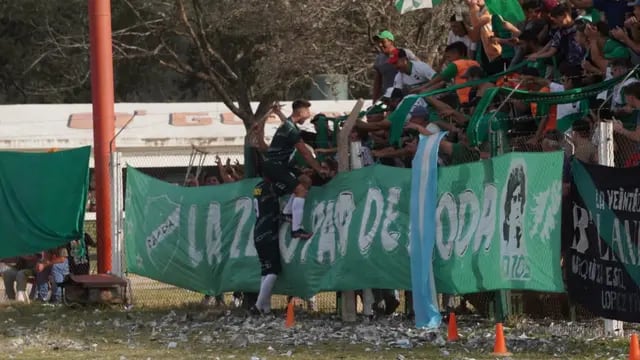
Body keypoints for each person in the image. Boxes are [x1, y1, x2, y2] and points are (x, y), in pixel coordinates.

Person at [265, 100, 328, 239]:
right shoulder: (292, 130)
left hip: (283, 165)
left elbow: (286, 119)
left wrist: (278, 112)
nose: (309, 115)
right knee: (300, 190)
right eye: (307, 112)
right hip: (276, 165)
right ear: (300, 113)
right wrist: (319, 169)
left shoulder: (288, 124)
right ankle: (296, 230)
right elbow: (305, 153)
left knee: (306, 181)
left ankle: (287, 213)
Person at [250, 180, 281, 315]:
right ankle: (257, 306)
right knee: (273, 270)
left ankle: (266, 308)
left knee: (265, 270)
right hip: (268, 232)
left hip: (257, 230)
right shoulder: (272, 186)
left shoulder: (258, 187)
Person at [372, 30, 417, 101]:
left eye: (383, 42)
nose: (380, 45)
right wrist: (374, 100)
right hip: (390, 99)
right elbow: (377, 82)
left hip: (408, 96)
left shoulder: (405, 53)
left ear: (391, 42)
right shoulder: (379, 59)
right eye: (378, 42)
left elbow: (420, 68)